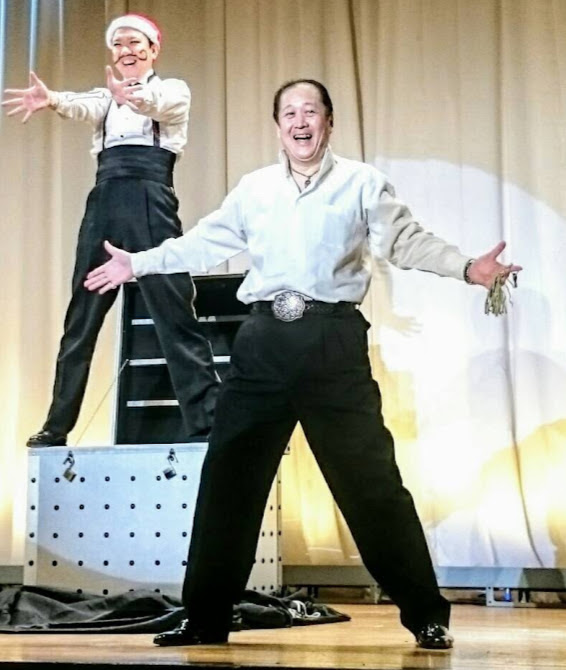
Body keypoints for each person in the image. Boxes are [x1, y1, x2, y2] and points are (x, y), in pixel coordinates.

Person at [84, 79, 522, 649]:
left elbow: (407, 241)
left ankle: (426, 615)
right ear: (278, 127)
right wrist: (138, 263)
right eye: (289, 112)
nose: (300, 121)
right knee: (228, 483)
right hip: (262, 346)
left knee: (372, 486)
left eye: (310, 111)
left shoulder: (362, 183)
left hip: (331, 344)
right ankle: (206, 619)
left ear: (328, 122)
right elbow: (204, 243)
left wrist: (468, 268)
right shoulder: (256, 189)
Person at [2, 14, 219, 447]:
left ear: (153, 49)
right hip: (104, 205)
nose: (127, 51)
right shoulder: (105, 97)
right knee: (80, 320)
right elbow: (81, 104)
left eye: (136, 43)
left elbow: (158, 105)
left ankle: (208, 424)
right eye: (119, 44)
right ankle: (57, 426)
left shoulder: (173, 89)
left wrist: (132, 97)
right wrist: (51, 100)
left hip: (151, 201)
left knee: (174, 313)